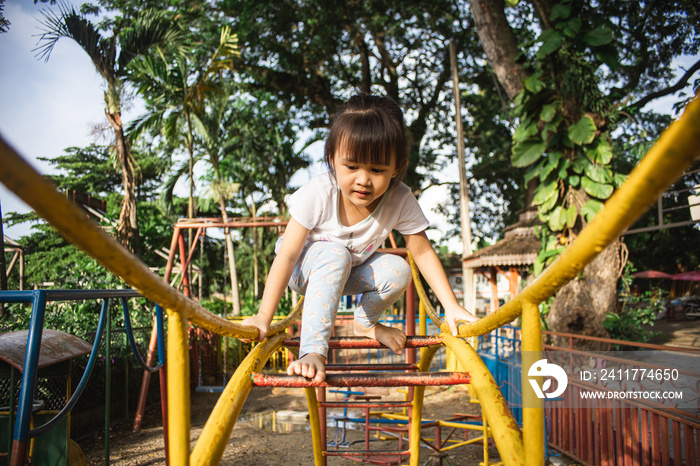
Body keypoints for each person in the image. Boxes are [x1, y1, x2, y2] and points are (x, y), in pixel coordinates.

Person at [242, 94, 477, 383]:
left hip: (349, 271)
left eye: (377, 169)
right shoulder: (319, 192)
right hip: (303, 269)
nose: (363, 179)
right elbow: (288, 255)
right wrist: (265, 316)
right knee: (335, 253)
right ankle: (312, 351)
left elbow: (423, 251)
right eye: (352, 167)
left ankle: (365, 324)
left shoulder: (399, 198)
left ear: (396, 167)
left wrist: (451, 306)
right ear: (332, 160)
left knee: (398, 269)